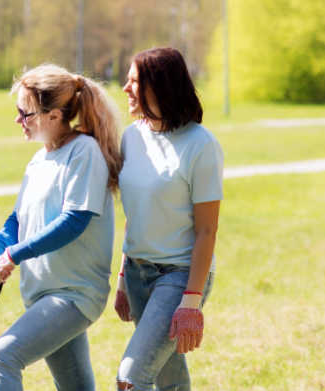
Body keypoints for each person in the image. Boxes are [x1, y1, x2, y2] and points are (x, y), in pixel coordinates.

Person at [0, 64, 122, 391]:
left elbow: (74, 221)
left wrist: (13, 256)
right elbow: (17, 221)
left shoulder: (84, 152)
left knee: (1, 357)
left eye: (25, 113)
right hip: (44, 295)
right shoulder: (39, 160)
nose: (18, 120)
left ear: (53, 115)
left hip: (74, 295)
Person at [113, 47, 221, 391]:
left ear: (158, 87)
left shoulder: (201, 145)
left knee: (131, 377)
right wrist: (122, 278)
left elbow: (207, 230)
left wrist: (191, 301)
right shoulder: (132, 137)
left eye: (133, 82)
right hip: (137, 274)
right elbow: (136, 212)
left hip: (178, 276)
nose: (126, 89)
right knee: (168, 378)